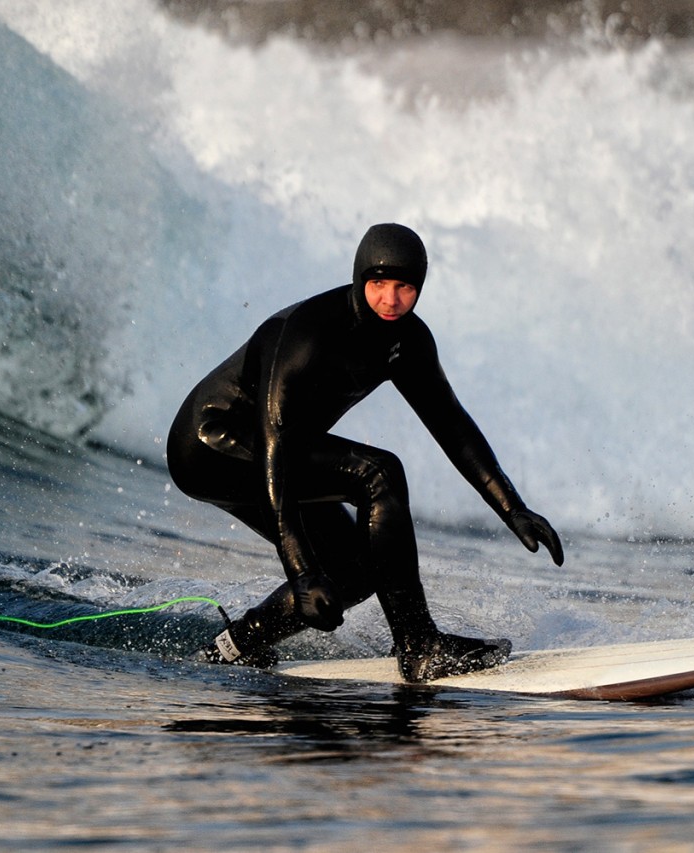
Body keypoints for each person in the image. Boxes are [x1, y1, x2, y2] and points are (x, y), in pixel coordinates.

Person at [166, 223, 563, 683]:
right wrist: (301, 571)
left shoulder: (406, 341)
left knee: (359, 566)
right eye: (378, 284)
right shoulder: (305, 334)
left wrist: (512, 506)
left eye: (405, 287)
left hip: (274, 452)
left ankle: (237, 646)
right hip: (210, 445)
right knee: (380, 473)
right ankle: (418, 646)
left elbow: (451, 424)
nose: (391, 300)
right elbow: (275, 451)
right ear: (359, 279)